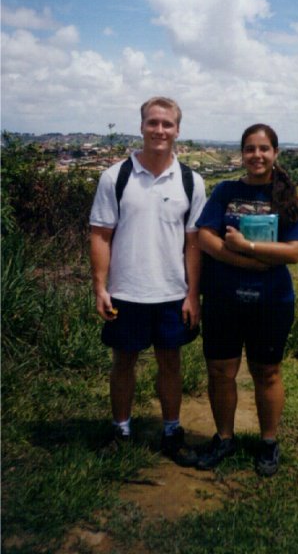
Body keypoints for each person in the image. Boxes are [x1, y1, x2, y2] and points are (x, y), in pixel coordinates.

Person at [89, 96, 206, 465]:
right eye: (152, 123)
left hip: (172, 292)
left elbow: (193, 242)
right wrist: (100, 287)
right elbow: (100, 235)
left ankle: (171, 431)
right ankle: (120, 430)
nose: (159, 130)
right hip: (126, 290)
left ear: (177, 130)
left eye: (167, 124)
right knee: (123, 361)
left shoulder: (191, 180)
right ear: (141, 127)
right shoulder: (116, 176)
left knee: (170, 362)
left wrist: (193, 294)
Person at [195, 124, 298, 476]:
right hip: (222, 298)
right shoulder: (225, 191)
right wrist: (249, 261)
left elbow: (294, 252)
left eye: (263, 148)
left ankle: (268, 443)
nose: (256, 155)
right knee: (220, 370)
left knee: (267, 372)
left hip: (271, 302)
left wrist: (247, 246)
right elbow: (205, 238)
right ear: (241, 154)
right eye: (250, 149)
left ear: (275, 153)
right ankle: (225, 438)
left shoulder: (287, 198)